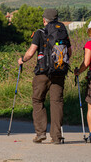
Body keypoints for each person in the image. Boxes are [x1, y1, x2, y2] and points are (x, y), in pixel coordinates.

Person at [18, 8, 72, 145]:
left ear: (44, 20)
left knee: (37, 100)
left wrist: (22, 60)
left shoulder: (39, 32)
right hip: (59, 72)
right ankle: (57, 137)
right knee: (57, 102)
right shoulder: (62, 32)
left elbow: (31, 52)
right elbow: (69, 52)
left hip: (42, 72)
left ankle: (41, 133)